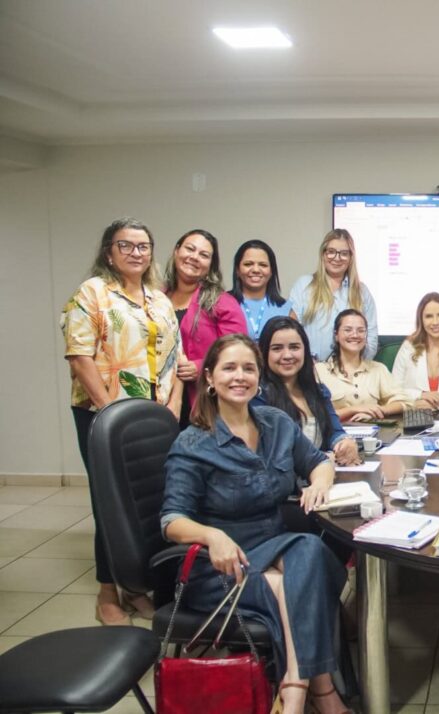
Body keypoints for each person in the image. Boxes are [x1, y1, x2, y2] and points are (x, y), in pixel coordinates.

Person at [162, 334, 352, 714]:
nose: (240, 376)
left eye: (249, 368)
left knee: (308, 551)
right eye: (229, 368)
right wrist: (211, 534)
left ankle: (293, 690)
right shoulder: (193, 443)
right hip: (221, 565)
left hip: (275, 547)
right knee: (303, 575)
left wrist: (320, 481)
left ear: (259, 377)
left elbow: (319, 461)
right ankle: (322, 692)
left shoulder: (276, 423)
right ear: (210, 379)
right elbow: (171, 521)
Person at [61, 217, 182, 626]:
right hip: (104, 416)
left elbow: (175, 361)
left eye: (143, 246)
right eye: (126, 245)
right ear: (109, 251)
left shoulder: (160, 300)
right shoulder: (92, 293)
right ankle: (107, 594)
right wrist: (111, 412)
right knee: (109, 503)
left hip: (154, 418)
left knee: (147, 503)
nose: (136, 253)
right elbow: (80, 356)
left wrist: (173, 410)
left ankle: (135, 586)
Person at [164, 229, 247, 426]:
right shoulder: (155, 297)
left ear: (210, 266)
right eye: (190, 249)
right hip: (158, 399)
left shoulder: (222, 303)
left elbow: (239, 352)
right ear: (176, 251)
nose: (194, 257)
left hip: (203, 401)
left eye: (204, 255)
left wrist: (200, 367)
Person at [254, 317, 360, 465]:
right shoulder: (258, 396)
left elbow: (334, 431)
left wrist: (344, 442)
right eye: (277, 348)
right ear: (264, 352)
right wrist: (320, 459)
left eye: (294, 347)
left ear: (305, 350)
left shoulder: (319, 391)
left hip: (324, 478)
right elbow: (273, 453)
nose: (287, 355)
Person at [289, 228, 378, 360]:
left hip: (350, 373)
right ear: (323, 254)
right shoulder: (304, 285)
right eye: (331, 252)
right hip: (311, 370)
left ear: (351, 257)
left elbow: (371, 339)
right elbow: (292, 331)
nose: (337, 258)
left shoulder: (362, 292)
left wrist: (356, 367)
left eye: (343, 253)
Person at [315, 310, 419, 422]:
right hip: (334, 436)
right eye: (348, 330)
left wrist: (379, 411)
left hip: (372, 436)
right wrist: (353, 410)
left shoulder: (378, 369)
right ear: (336, 335)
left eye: (361, 331)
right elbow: (313, 415)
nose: (355, 335)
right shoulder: (319, 371)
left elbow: (405, 402)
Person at [230, 239, 294, 340]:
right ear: (237, 270)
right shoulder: (222, 304)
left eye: (263, 265)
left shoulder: (286, 310)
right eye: (248, 264)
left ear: (271, 271)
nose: (256, 270)